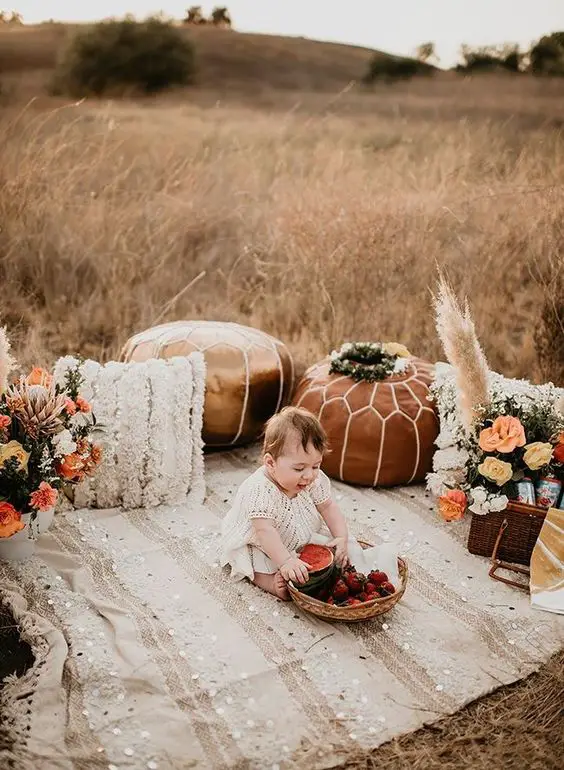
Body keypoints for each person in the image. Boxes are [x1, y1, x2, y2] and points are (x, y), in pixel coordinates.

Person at [219, 406, 349, 600]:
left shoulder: (312, 478)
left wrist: (341, 536)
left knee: (335, 550)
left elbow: (328, 506)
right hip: (261, 540)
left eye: (316, 465)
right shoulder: (259, 490)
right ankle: (267, 581)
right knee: (253, 560)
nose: (310, 475)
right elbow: (265, 532)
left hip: (294, 532)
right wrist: (286, 561)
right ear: (270, 464)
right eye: (299, 468)